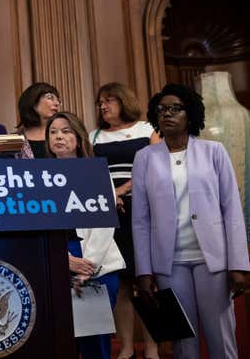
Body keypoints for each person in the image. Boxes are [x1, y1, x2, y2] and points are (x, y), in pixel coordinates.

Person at [132, 84, 250, 359]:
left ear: (191, 114)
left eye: (176, 109)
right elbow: (140, 219)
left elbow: (231, 208)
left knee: (220, 335)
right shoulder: (144, 158)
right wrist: (144, 270)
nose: (167, 114)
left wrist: (238, 263)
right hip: (169, 262)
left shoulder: (214, 151)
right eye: (161, 110)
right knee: (183, 341)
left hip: (213, 260)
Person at [89, 82, 161, 359]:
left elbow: (154, 167)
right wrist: (109, 194)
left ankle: (153, 347)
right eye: (100, 102)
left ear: (124, 101)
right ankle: (128, 348)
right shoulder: (95, 136)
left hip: (144, 211)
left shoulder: (146, 130)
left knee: (147, 281)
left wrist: (120, 190)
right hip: (111, 214)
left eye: (109, 100)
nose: (104, 106)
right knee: (120, 282)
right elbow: (90, 174)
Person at [46, 111, 125, 359]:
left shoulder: (96, 172)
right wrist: (63, 259)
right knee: (59, 341)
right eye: (53, 132)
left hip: (97, 265)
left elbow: (103, 228)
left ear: (79, 138)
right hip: (57, 260)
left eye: (66, 131)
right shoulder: (39, 177)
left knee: (95, 345)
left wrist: (85, 268)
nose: (58, 136)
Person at [16, 82, 61, 158]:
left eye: (58, 100)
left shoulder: (64, 135)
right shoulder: (16, 139)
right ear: (33, 102)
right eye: (50, 98)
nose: (56, 103)